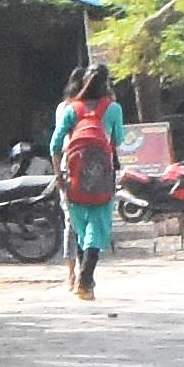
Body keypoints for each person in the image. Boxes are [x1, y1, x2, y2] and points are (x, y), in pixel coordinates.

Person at [53, 58, 125, 303]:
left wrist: (58, 175)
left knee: (81, 227)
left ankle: (83, 279)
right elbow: (119, 140)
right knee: (99, 223)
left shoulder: (72, 109)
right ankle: (86, 279)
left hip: (73, 174)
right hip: (103, 173)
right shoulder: (113, 109)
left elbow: (55, 144)